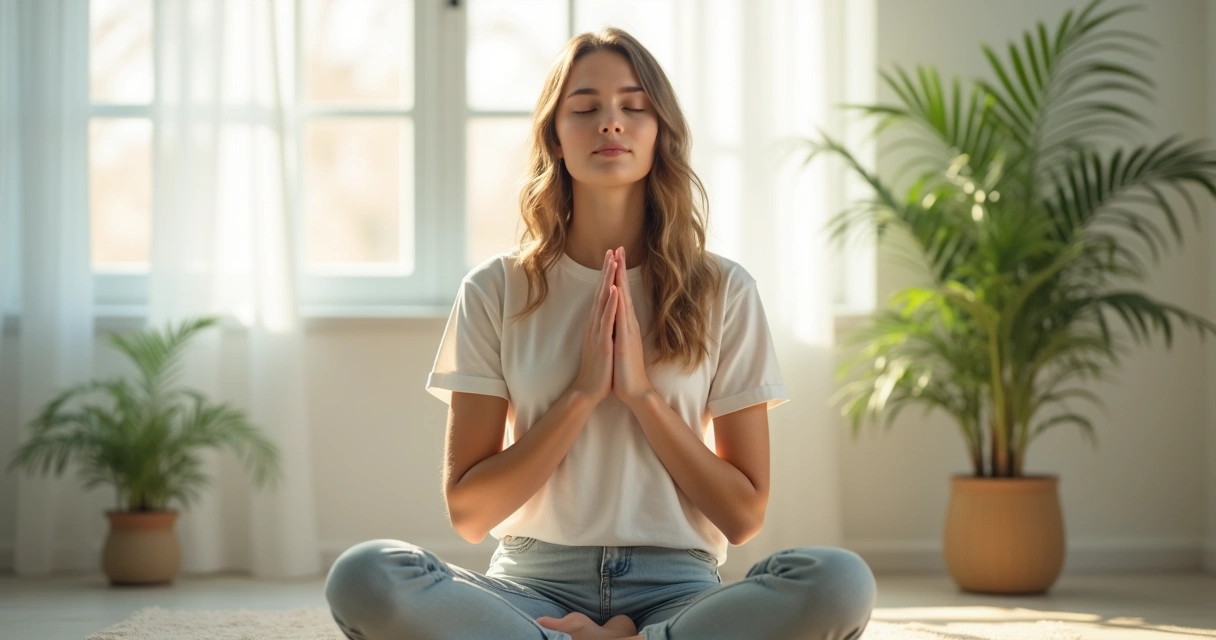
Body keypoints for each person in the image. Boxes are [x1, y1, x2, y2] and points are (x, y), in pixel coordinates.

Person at [324, 27, 876, 640]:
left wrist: (640, 395)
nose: (610, 122)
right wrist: (583, 394)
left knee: (838, 580)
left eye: (634, 107)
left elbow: (743, 515)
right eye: (585, 108)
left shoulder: (724, 289)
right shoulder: (496, 287)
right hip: (528, 588)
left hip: (679, 590)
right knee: (366, 575)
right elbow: (471, 512)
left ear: (658, 131)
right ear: (555, 137)